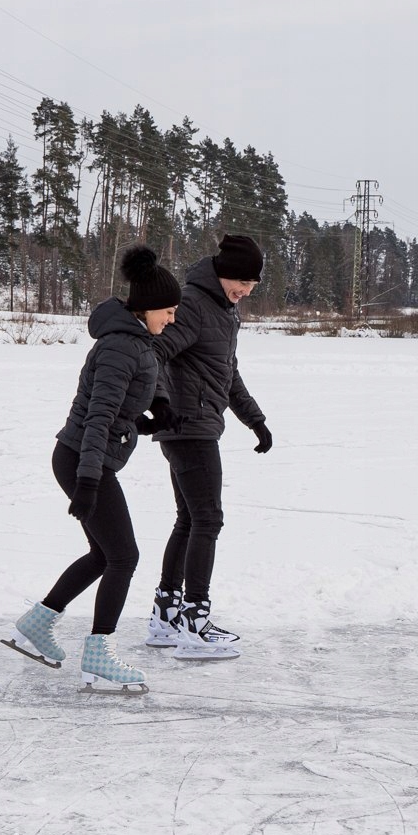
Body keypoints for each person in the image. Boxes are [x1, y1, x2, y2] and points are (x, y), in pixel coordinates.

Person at [3, 245, 182, 695]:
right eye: (168, 310)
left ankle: (38, 622)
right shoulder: (122, 346)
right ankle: (99, 656)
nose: (172, 318)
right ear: (146, 308)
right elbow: (98, 417)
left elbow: (132, 393)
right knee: (124, 557)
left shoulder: (136, 341)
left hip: (85, 456)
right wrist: (87, 482)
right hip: (86, 459)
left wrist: (154, 412)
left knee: (105, 555)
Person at [144, 233, 273, 659]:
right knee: (208, 520)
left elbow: (226, 373)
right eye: (243, 282)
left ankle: (167, 616)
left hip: (195, 425)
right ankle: (195, 623)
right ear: (225, 274)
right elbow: (155, 352)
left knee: (189, 519)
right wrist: (160, 404)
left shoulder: (222, 310)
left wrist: (255, 420)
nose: (247, 291)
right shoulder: (195, 304)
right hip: (188, 427)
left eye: (252, 285)